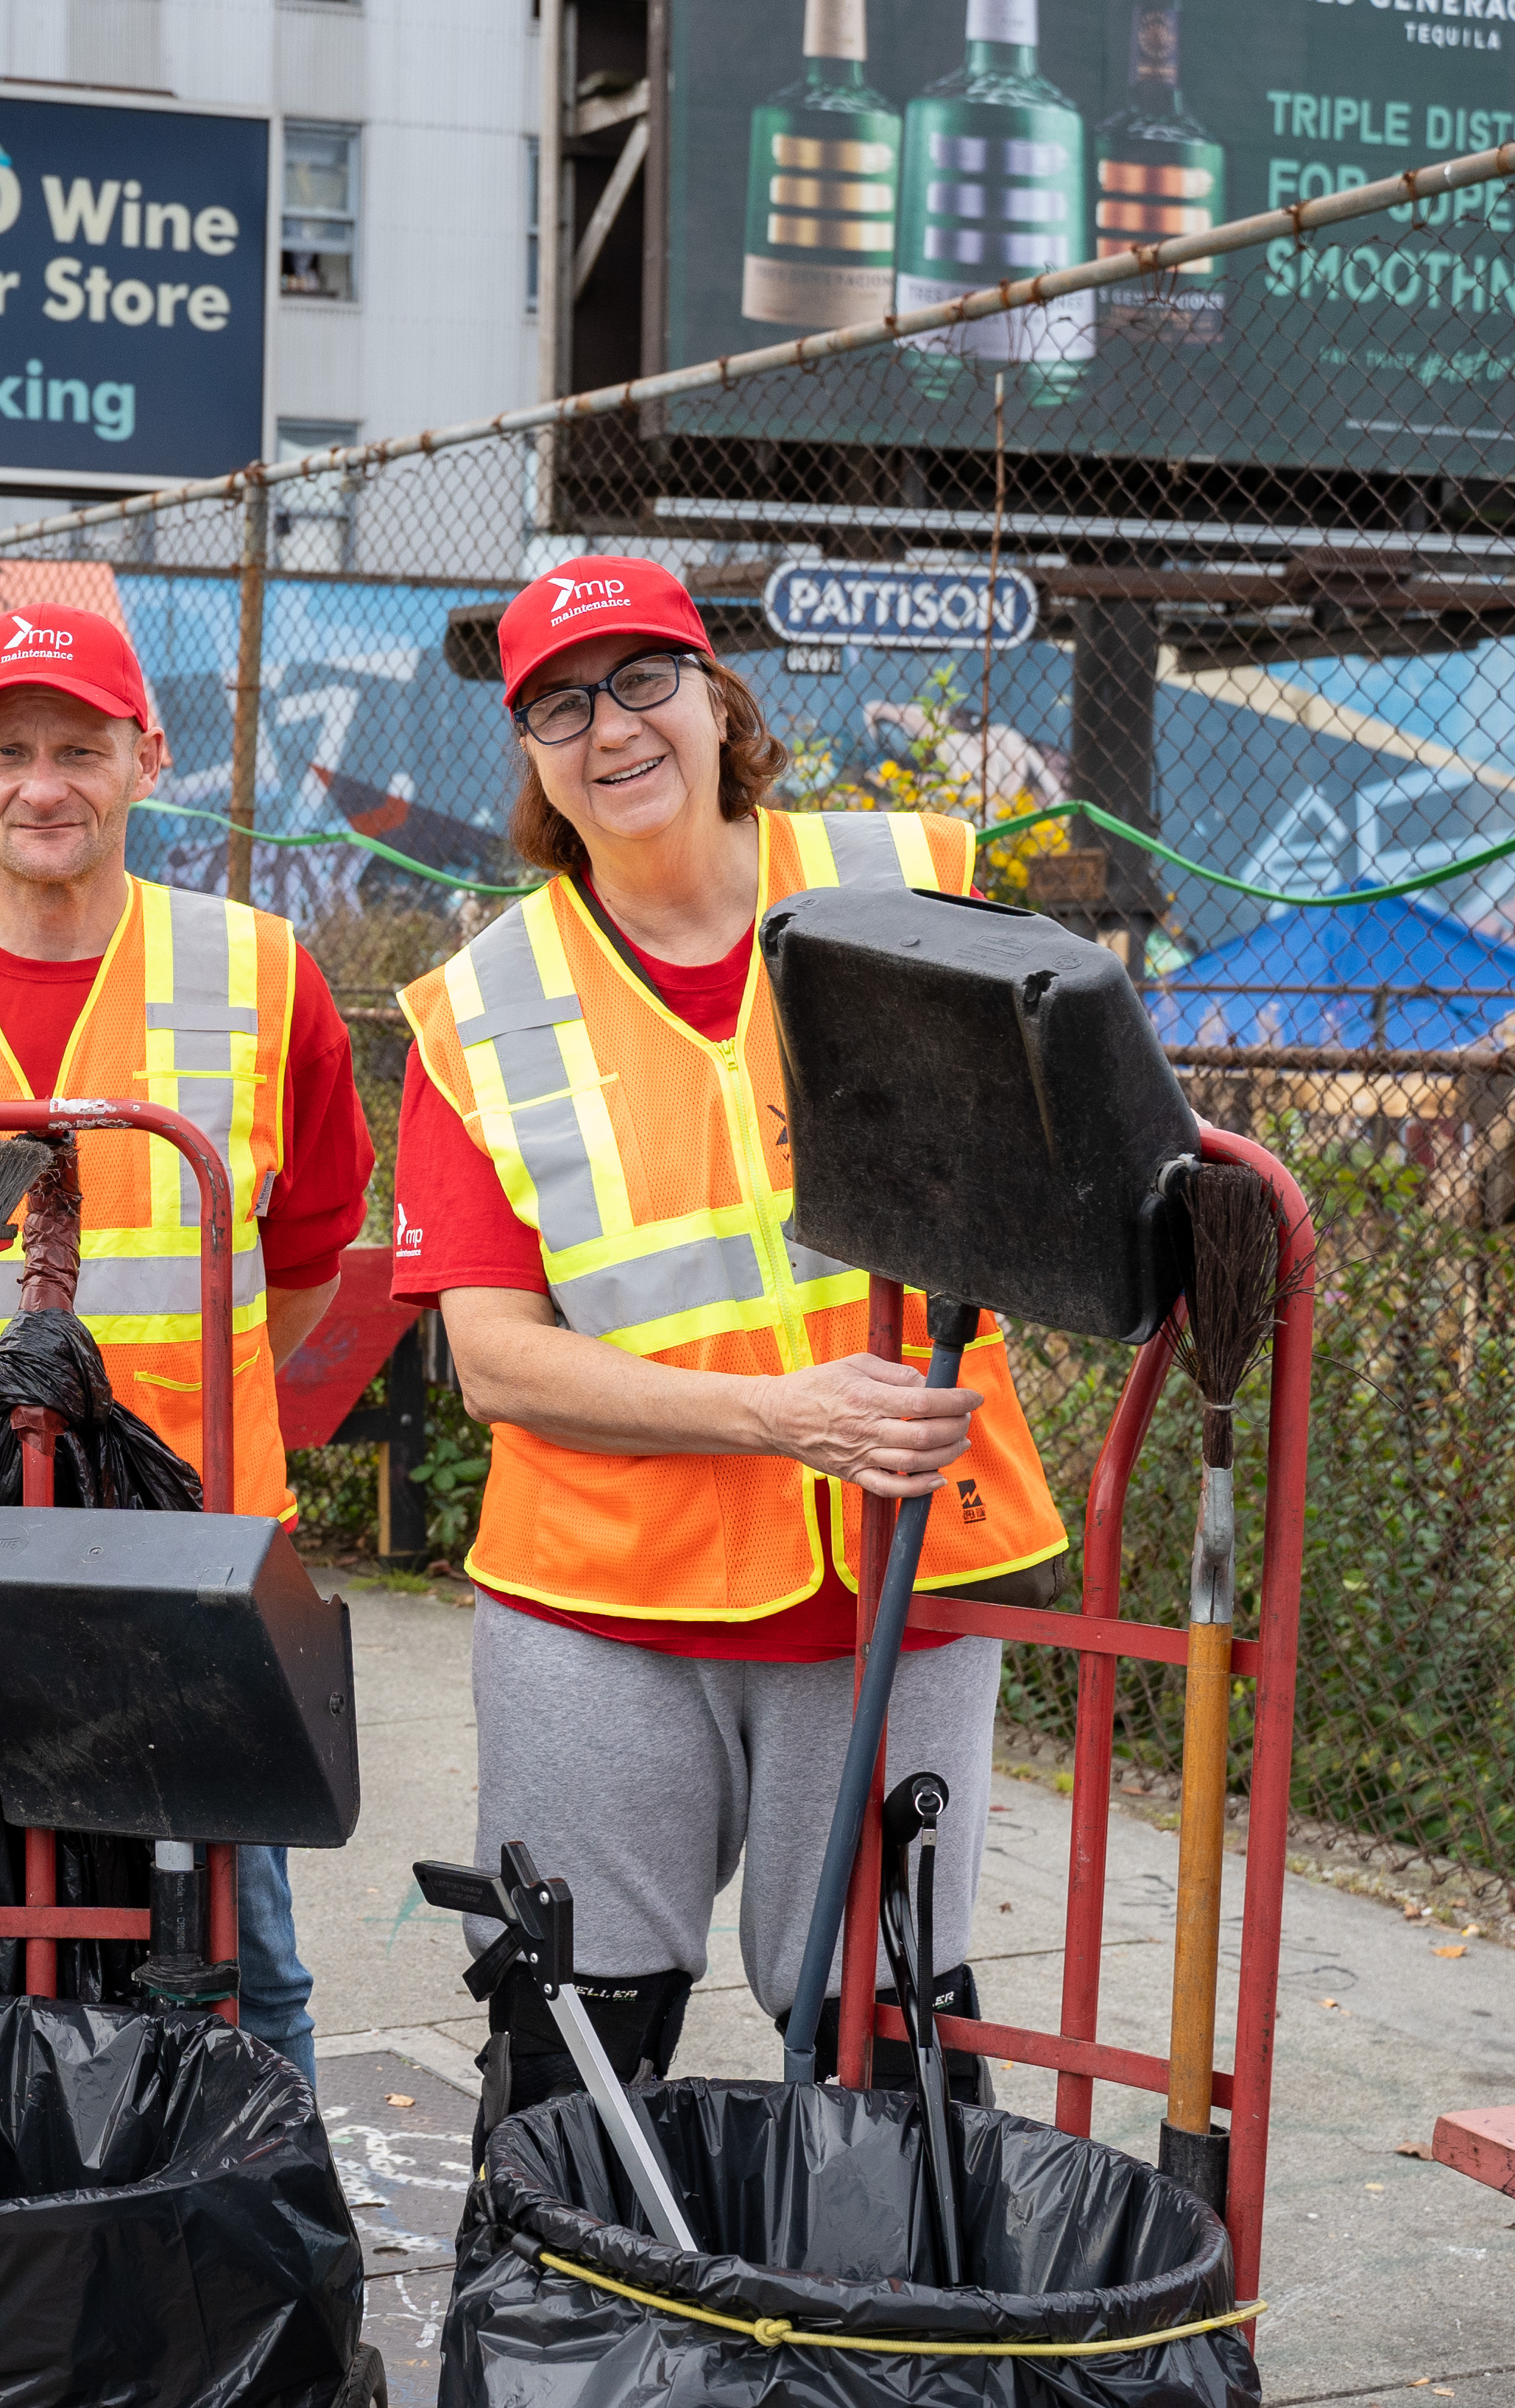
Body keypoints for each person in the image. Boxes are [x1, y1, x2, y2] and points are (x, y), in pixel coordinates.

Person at [387, 557, 1071, 2096]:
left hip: (892, 1564)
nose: (611, 728)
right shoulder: (484, 1008)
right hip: (600, 1599)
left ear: (719, 697)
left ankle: (892, 2342)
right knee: (578, 2033)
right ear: (531, 757)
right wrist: (783, 1416)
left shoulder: (906, 880)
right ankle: (564, 2333)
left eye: (644, 680)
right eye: (562, 704)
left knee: (885, 2033)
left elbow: (1063, 1170)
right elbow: (491, 1356)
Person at [0, 601, 375, 2091]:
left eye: (82, 748)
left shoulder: (262, 974)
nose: (48, 783)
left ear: (146, 758)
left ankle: (260, 2239)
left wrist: (158, 1415)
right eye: (13, 748)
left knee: (234, 1957)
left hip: (188, 1573)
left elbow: (299, 1262)